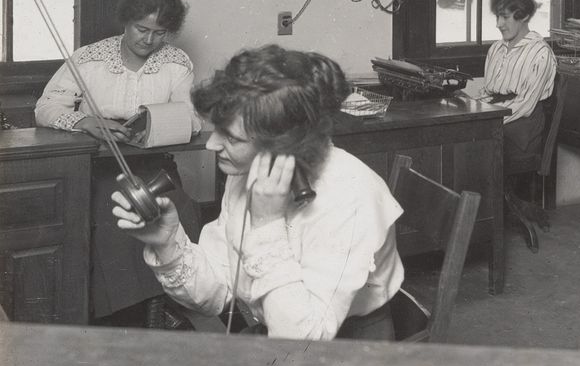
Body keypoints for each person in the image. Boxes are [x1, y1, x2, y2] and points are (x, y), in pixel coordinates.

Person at [112, 44, 405, 341]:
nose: (212, 145)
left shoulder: (350, 198)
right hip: (274, 334)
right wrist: (167, 244)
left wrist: (267, 225)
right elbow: (216, 295)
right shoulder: (253, 171)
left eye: (232, 138)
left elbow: (302, 343)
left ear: (283, 142)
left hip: (347, 349)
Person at [35, 0, 203, 327]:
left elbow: (192, 119)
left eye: (160, 33)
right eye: (141, 29)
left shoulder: (176, 63)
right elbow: (45, 107)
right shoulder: (89, 58)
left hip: (153, 167)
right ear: (126, 22)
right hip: (95, 170)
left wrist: (154, 121)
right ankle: (132, 315)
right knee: (113, 216)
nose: (149, 40)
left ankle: (166, 302)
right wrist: (86, 121)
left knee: (180, 207)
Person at [469, 0, 557, 170]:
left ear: (523, 15)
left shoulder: (540, 53)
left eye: (505, 17)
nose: (498, 24)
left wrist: (485, 120)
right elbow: (487, 92)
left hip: (521, 129)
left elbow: (524, 105)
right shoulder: (496, 49)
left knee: (472, 150)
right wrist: (470, 109)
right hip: (498, 117)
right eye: (497, 17)